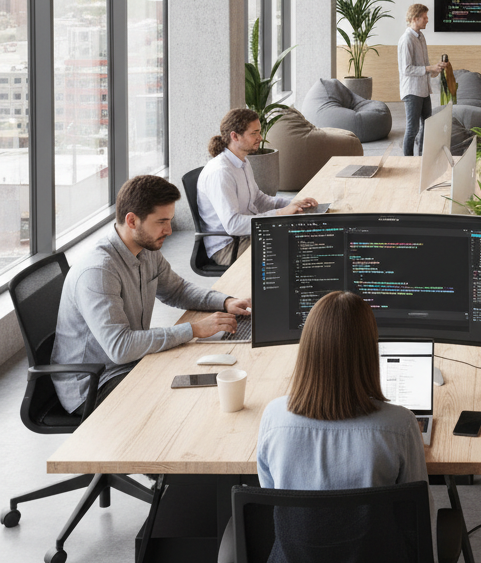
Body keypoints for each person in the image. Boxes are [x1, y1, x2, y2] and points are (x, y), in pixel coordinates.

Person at [52, 175, 250, 414]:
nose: (169, 230)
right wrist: (195, 329)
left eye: (170, 220)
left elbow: (177, 290)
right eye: (161, 222)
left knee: (209, 377)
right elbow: (120, 347)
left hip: (129, 362)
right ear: (132, 221)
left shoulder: (146, 249)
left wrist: (225, 301)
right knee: (188, 404)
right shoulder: (99, 271)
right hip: (95, 384)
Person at [257, 290, 427, 491]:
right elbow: (420, 512)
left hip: (295, 524)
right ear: (370, 352)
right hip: (374, 524)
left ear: (308, 349)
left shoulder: (274, 418)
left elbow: (268, 498)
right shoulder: (400, 426)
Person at [197, 107, 317, 264]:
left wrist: (294, 204)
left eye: (259, 132)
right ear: (235, 136)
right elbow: (233, 225)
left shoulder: (242, 161)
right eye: (254, 133)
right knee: (302, 245)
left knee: (310, 233)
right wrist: (280, 214)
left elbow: (259, 200)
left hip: (247, 235)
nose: (260, 137)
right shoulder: (221, 172)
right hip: (229, 247)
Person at [398, 3, 444, 156]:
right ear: (414, 19)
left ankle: (423, 157)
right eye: (424, 17)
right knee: (413, 129)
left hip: (423, 89)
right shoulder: (406, 40)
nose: (427, 20)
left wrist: (434, 70)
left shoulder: (421, 37)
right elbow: (406, 69)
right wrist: (428, 68)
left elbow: (423, 65)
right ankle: (408, 160)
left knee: (427, 124)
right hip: (412, 90)